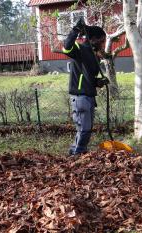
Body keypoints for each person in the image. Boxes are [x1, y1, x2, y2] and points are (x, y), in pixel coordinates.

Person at [62, 18, 109, 156]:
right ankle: (78, 155)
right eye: (102, 40)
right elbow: (66, 47)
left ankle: (74, 151)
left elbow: (89, 78)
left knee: (84, 128)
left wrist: (98, 82)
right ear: (94, 39)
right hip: (80, 96)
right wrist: (75, 30)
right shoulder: (79, 49)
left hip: (88, 96)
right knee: (85, 129)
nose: (103, 44)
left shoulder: (95, 56)